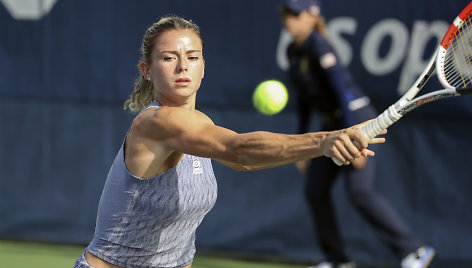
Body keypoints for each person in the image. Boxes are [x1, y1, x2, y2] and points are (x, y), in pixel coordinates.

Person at [71, 14, 386, 268]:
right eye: (169, 58)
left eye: (192, 57)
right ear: (147, 70)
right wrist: (324, 140)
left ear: (203, 67)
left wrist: (323, 143)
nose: (183, 66)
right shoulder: (158, 122)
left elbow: (237, 166)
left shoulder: (201, 125)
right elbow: (240, 151)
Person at [278, 1, 435, 268]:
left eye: (295, 14)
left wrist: (357, 140)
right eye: (286, 14)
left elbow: (344, 93)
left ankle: (414, 250)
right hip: (333, 127)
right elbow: (304, 101)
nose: (288, 20)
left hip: (357, 121)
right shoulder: (294, 51)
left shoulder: (319, 46)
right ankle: (338, 260)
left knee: (360, 192)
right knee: (315, 190)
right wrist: (299, 145)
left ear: (311, 17)